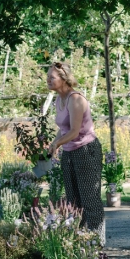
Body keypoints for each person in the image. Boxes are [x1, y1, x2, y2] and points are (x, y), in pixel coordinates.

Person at [46, 61, 105, 245]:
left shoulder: (75, 99)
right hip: (70, 153)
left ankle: (97, 243)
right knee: (73, 200)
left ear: (64, 79)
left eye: (52, 77)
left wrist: (56, 144)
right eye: (47, 77)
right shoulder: (59, 99)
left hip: (86, 151)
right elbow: (63, 129)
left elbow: (74, 131)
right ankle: (81, 242)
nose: (48, 80)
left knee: (90, 199)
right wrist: (56, 142)